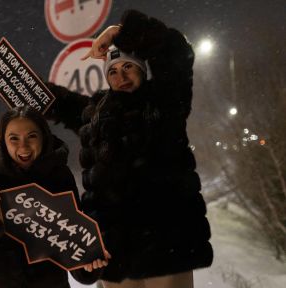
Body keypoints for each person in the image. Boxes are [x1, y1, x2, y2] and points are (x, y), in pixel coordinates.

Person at [43, 9, 214, 288]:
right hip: (115, 254)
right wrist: (1, 71)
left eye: (128, 67)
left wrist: (120, 32)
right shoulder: (95, 114)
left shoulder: (165, 102)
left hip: (166, 248)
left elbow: (175, 51)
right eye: (112, 71)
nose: (120, 76)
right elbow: (54, 102)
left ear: (142, 70)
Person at [0, 105, 108, 288]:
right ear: (3, 141)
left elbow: (72, 235)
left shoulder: (59, 175)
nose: (23, 146)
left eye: (32, 136)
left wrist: (88, 263)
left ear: (44, 137)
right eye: (14, 138)